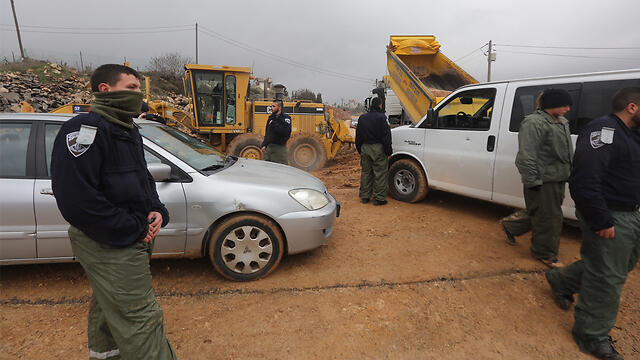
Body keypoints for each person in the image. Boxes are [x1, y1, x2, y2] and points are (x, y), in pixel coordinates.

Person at [51, 64, 177, 359]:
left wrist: (157, 209)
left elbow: (140, 179)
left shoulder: (126, 129)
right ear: (105, 90)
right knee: (141, 318)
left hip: (126, 234)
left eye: (139, 88)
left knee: (109, 308)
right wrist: (134, 228)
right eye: (131, 88)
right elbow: (76, 200)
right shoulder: (83, 130)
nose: (139, 94)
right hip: (109, 239)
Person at [545, 87, 640, 360]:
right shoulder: (603, 131)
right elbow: (585, 179)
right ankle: (591, 336)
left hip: (632, 213)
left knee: (614, 266)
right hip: (610, 214)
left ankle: (560, 280)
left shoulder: (632, 135)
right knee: (608, 277)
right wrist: (600, 218)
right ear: (631, 107)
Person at [500, 89, 573, 267]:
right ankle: (545, 253)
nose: (568, 109)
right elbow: (527, 155)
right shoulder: (534, 123)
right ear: (552, 104)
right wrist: (532, 182)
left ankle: (510, 226)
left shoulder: (561, 121)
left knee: (541, 211)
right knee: (549, 217)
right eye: (564, 105)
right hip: (543, 179)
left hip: (558, 177)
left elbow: (565, 151)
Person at [355, 96, 392, 205]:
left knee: (366, 173)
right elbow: (386, 137)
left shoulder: (362, 118)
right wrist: (388, 151)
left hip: (365, 148)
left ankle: (365, 197)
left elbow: (358, 137)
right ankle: (379, 199)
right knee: (380, 173)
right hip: (378, 148)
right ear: (380, 105)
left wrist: (360, 150)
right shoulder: (382, 118)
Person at [261, 99, 292, 164]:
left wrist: (274, 124)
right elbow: (268, 132)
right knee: (265, 168)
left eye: (273, 106)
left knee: (281, 170)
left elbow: (285, 132)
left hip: (279, 149)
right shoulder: (271, 118)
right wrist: (264, 145)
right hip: (269, 148)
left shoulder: (286, 118)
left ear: (279, 108)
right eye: (271, 106)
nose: (271, 108)